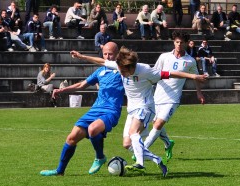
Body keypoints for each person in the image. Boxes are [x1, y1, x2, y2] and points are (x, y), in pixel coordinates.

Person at [69, 44, 207, 177]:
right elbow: (102, 61)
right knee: (127, 144)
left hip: (145, 107)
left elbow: (170, 73)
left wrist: (194, 76)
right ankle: (157, 160)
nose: (120, 73)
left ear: (131, 67)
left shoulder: (146, 71)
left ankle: (139, 163)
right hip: (132, 110)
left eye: (123, 71)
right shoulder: (120, 66)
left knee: (133, 132)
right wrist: (81, 56)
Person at [40, 42, 125, 176]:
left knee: (92, 129)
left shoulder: (123, 70)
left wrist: (81, 56)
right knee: (71, 138)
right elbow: (81, 85)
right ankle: (59, 171)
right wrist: (62, 89)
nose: (108, 57)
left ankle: (100, 157)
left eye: (111, 54)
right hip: (95, 109)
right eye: (105, 54)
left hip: (111, 111)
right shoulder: (100, 72)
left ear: (117, 55)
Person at [142, 31, 205, 162]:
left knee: (158, 123)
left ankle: (143, 149)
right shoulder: (164, 57)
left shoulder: (190, 61)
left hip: (173, 99)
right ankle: (168, 144)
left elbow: (196, 78)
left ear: (186, 43)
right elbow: (154, 73)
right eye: (177, 42)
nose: (179, 44)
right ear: (173, 42)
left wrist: (198, 93)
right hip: (158, 96)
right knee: (156, 123)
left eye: (182, 42)